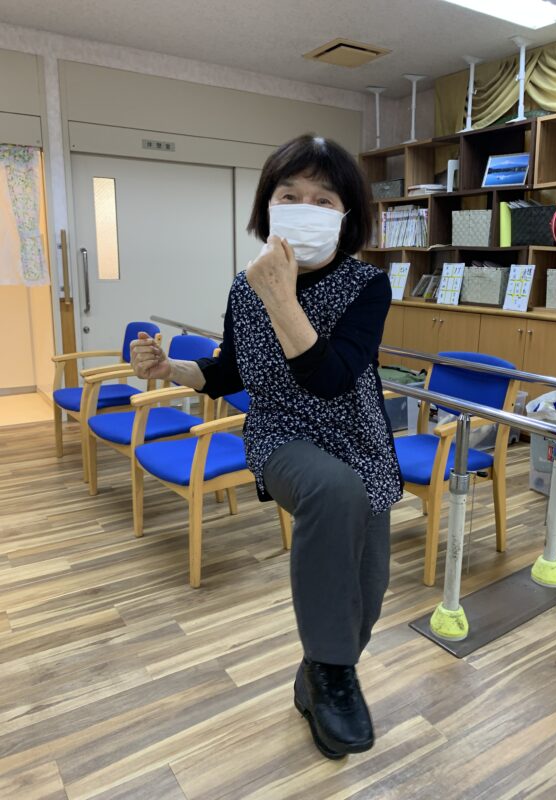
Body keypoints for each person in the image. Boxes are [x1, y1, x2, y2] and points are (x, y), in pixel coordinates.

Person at [130, 134, 403, 759]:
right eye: (290, 195)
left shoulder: (368, 286)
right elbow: (231, 370)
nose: (305, 207)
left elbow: (334, 378)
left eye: (323, 199)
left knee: (365, 595)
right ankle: (333, 675)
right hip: (284, 435)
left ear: (347, 215)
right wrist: (171, 368)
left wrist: (281, 296)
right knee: (332, 491)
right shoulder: (244, 286)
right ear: (267, 205)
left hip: (361, 442)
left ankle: (316, 680)